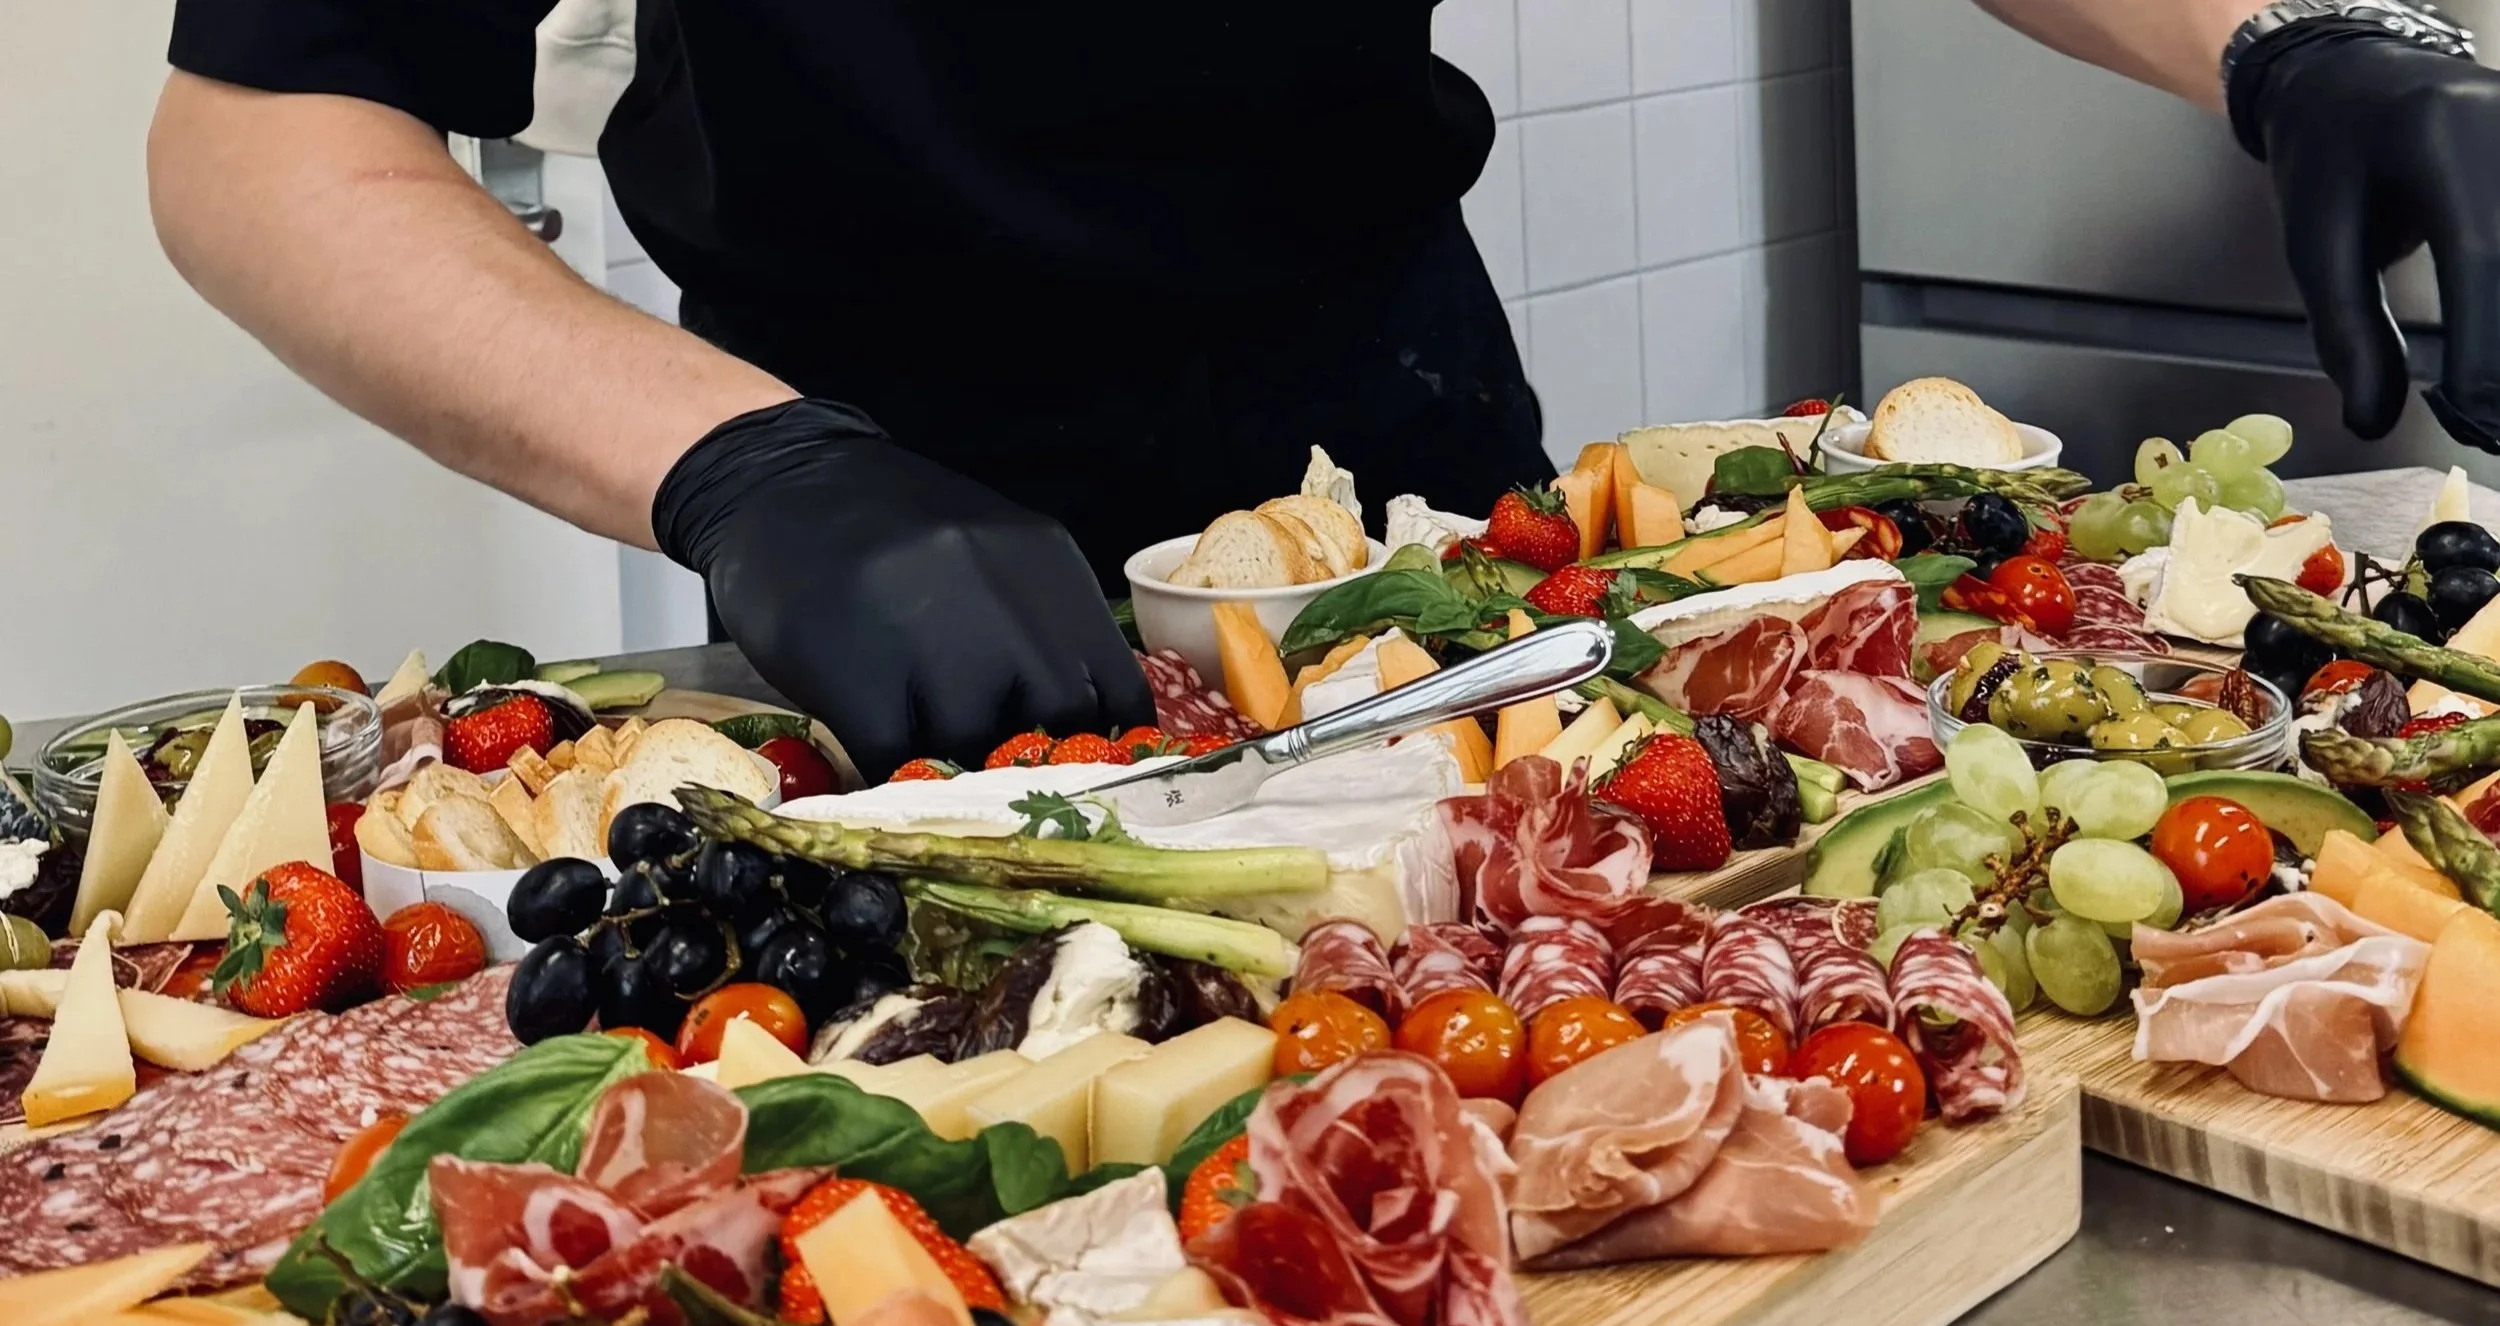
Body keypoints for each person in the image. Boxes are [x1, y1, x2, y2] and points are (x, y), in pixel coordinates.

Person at [149, 0, 2500, 777]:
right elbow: (262, 138)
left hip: (1398, 461)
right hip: (867, 500)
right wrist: (739, 462)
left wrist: (2287, 42)